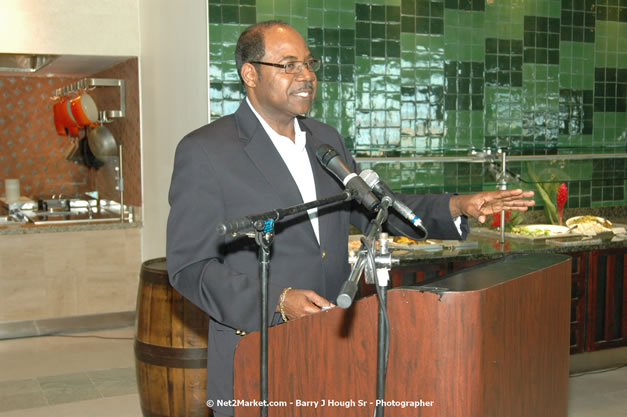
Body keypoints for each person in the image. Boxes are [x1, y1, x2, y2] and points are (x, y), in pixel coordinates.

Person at [166, 20, 535, 417]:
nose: (306, 75)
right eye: (288, 65)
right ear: (250, 74)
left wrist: (458, 206)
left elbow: (378, 206)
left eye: (309, 64)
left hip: (333, 344)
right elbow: (191, 266)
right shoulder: (205, 151)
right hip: (258, 353)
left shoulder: (325, 140)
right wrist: (279, 300)